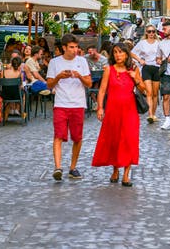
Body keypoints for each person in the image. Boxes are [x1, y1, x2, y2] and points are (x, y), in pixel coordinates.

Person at [93, 43, 145, 186]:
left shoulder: (133, 69)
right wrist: (100, 108)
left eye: (121, 52)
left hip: (130, 111)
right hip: (113, 111)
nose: (118, 55)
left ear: (127, 54)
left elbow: (144, 89)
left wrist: (136, 78)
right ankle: (115, 170)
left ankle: (126, 175)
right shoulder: (109, 70)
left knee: (129, 140)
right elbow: (102, 91)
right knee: (115, 140)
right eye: (115, 52)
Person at [47, 34, 92, 181]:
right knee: (58, 135)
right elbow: (49, 85)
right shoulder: (54, 63)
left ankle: (73, 167)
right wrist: (59, 77)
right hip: (61, 103)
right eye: (71, 47)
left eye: (76, 47)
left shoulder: (82, 61)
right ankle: (58, 167)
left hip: (78, 104)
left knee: (77, 137)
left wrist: (79, 76)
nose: (75, 50)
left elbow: (89, 83)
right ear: (64, 48)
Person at [131, 24, 161, 123]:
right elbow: (132, 53)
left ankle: (154, 113)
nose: (151, 33)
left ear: (155, 32)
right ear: (146, 33)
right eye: (149, 31)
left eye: (153, 31)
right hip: (146, 68)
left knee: (155, 93)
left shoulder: (159, 43)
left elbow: (164, 54)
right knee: (149, 92)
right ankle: (150, 115)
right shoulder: (142, 43)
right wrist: (140, 60)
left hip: (157, 68)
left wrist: (160, 60)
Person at [2, 56, 25, 121]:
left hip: (5, 95)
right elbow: (21, 86)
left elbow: (1, 84)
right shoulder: (19, 73)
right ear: (19, 65)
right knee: (23, 95)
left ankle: (5, 117)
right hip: (16, 95)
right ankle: (22, 113)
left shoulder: (3, 72)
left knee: (9, 98)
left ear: (11, 64)